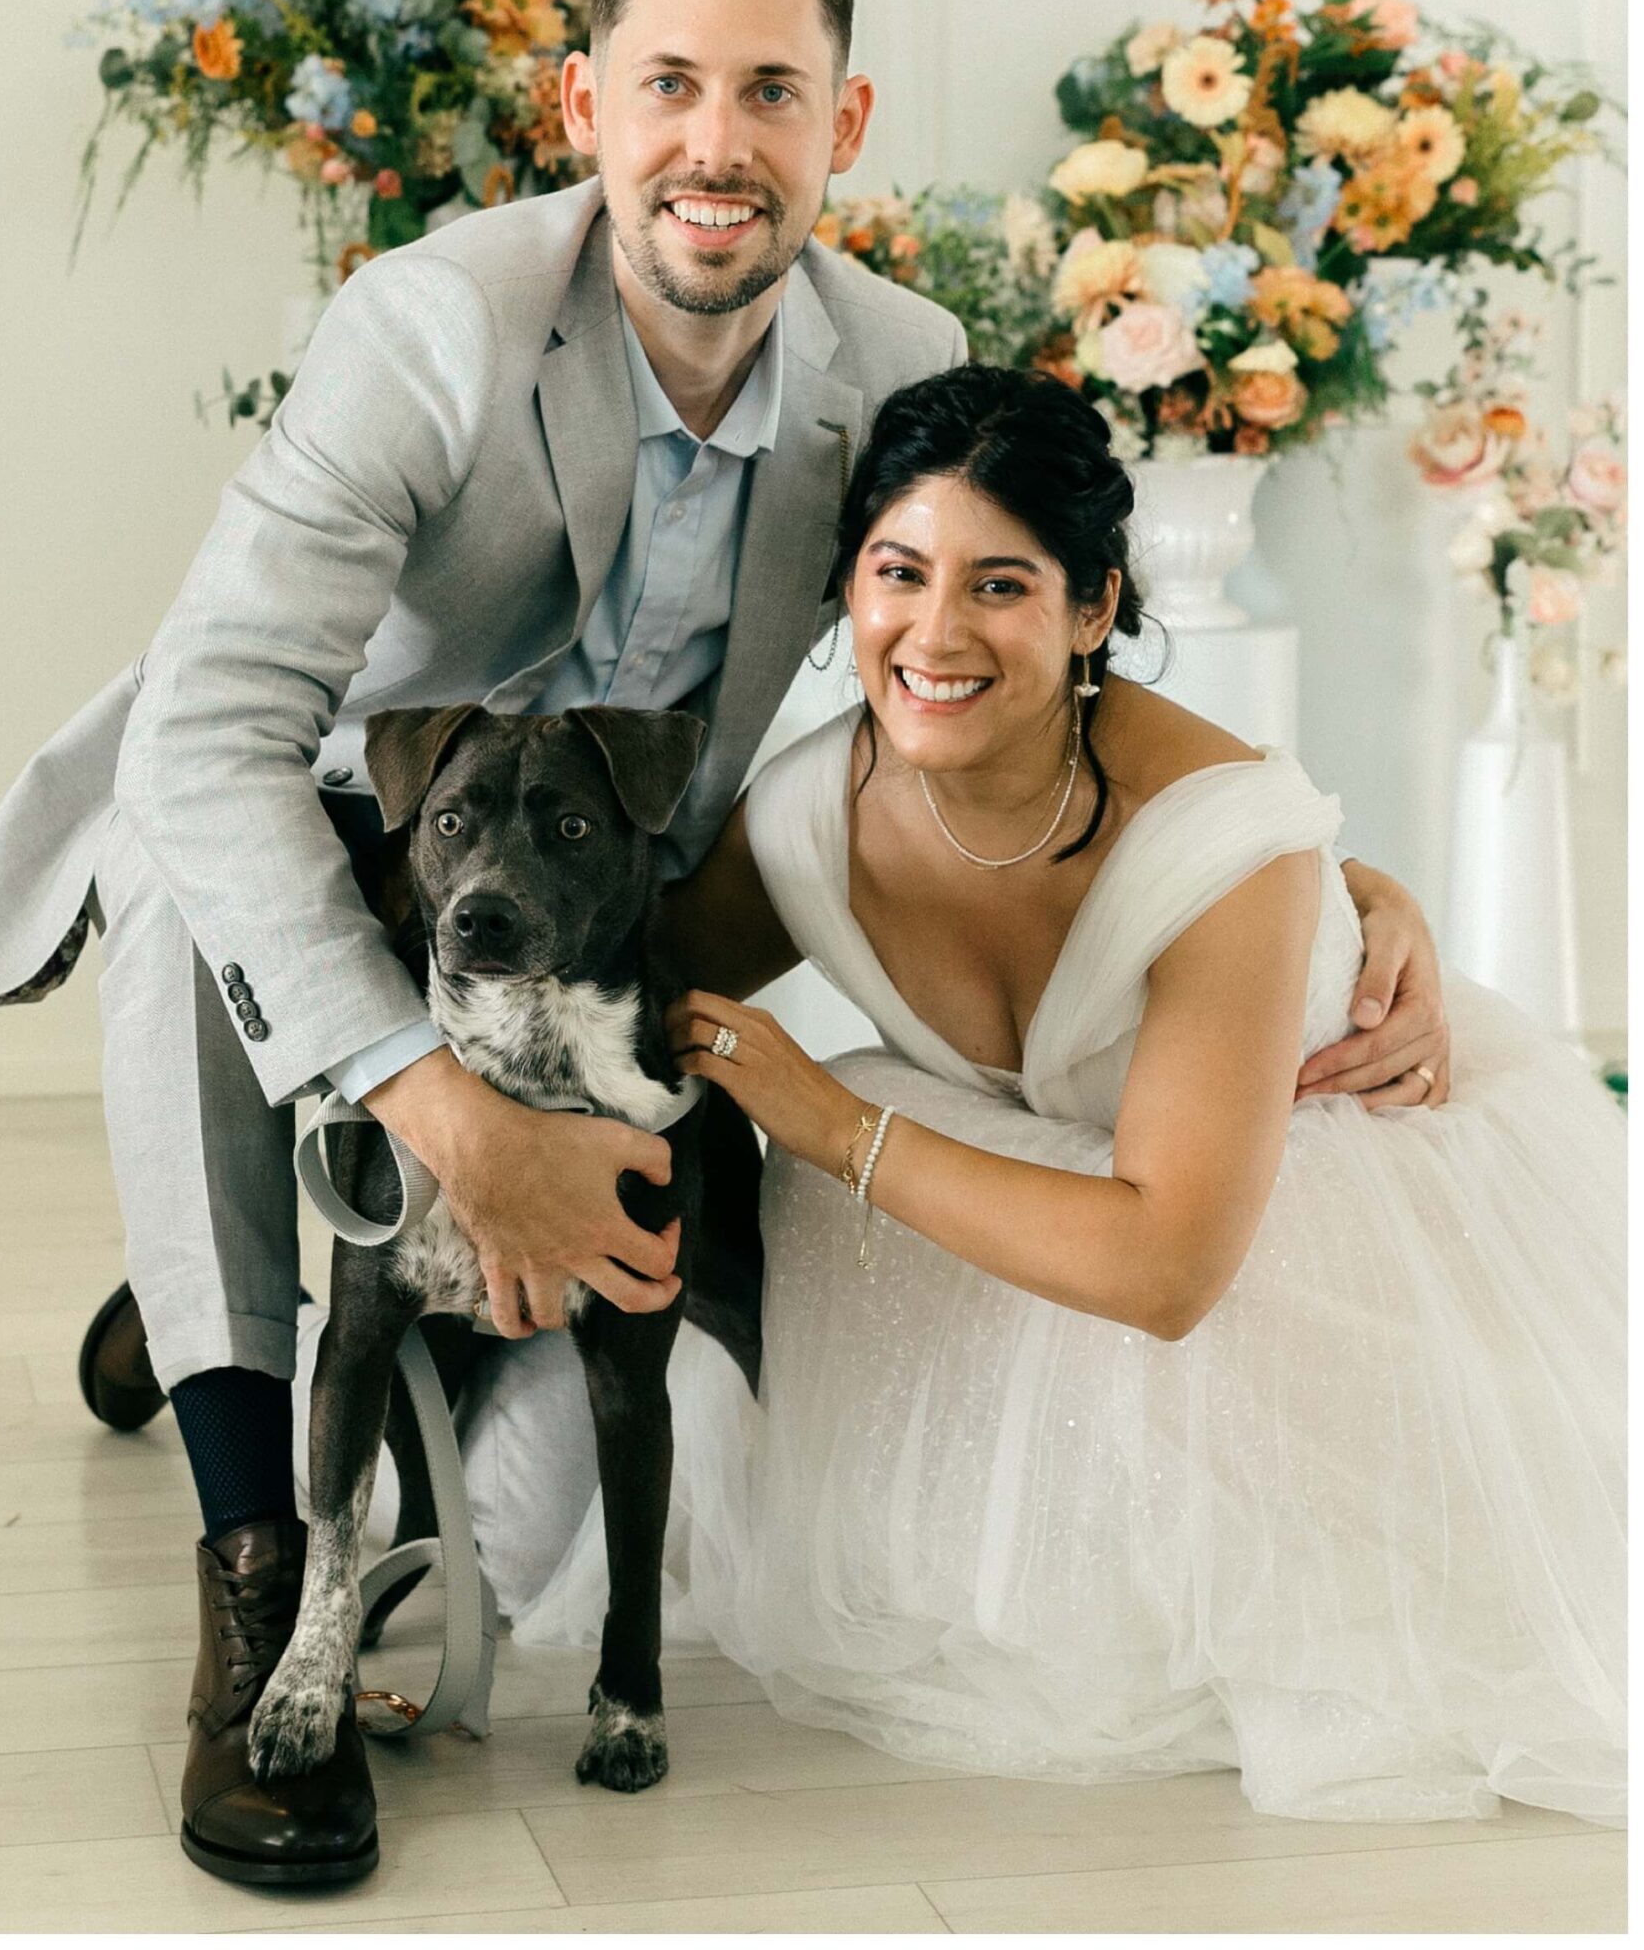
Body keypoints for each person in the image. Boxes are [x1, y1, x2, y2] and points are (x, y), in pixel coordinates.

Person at [0, 0, 1448, 1885]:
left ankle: (226, 1226)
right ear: (585, 102)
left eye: (770, 90)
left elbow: (1005, 636)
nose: (714, 138)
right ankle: (251, 1575)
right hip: (359, 808)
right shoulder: (431, 330)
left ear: (845, 123)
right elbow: (206, 737)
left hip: (612, 870)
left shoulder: (890, 357)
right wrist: (439, 1104)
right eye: (667, 83)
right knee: (175, 866)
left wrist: (1306, 868)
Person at [502, 364, 1624, 1830]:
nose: (936, 632)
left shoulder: (1221, 845)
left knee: (1429, 1620)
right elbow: (612, 986)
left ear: (1093, 609)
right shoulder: (802, 814)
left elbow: (1164, 1272)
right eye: (897, 574)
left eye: (1002, 586)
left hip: (1299, 1219)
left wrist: (828, 1123)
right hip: (1065, 1186)